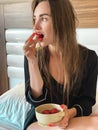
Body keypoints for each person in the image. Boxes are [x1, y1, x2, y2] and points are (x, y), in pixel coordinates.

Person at [23, 0, 98, 130]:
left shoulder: (89, 58)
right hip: (40, 123)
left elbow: (87, 101)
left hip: (72, 119)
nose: (35, 27)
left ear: (61, 21)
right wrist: (32, 61)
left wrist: (69, 113)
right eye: (35, 19)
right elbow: (37, 102)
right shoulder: (33, 56)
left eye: (44, 19)